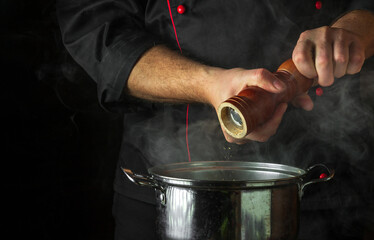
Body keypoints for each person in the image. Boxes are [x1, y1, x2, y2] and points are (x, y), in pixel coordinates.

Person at [56, 0, 374, 239]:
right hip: (168, 195)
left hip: (317, 187)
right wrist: (208, 84)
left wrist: (348, 34)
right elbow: (96, 27)